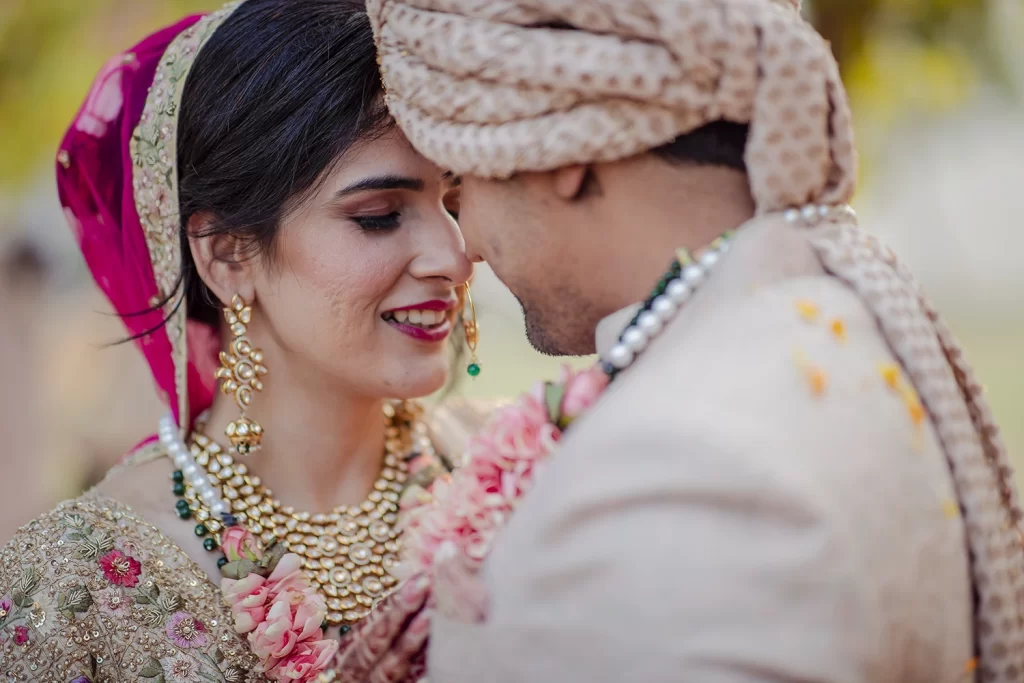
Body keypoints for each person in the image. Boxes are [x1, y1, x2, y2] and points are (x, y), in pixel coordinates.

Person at [365, 0, 1024, 681]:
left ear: (553, 149)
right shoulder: (827, 308)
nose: (466, 244)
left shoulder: (678, 460)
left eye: (460, 183)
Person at [0, 1, 495, 681]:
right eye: (380, 216)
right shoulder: (77, 583)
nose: (454, 255)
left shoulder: (514, 486)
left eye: (457, 203)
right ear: (227, 255)